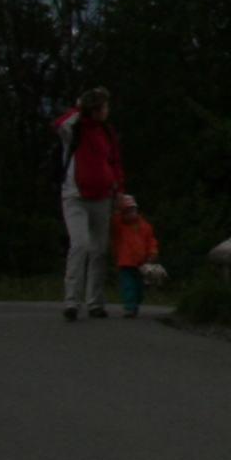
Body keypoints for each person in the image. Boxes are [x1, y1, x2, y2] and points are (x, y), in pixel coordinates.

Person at [52, 87, 124, 321]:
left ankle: (95, 302)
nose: (107, 111)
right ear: (94, 110)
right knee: (80, 245)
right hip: (76, 196)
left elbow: (114, 162)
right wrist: (78, 106)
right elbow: (59, 123)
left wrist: (119, 191)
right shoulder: (74, 130)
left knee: (99, 251)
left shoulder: (107, 131)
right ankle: (72, 301)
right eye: (103, 107)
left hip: (102, 196)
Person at [109, 195, 161, 318]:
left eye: (132, 211)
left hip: (141, 264)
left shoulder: (144, 226)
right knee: (128, 285)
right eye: (126, 212)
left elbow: (151, 241)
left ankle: (136, 302)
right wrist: (117, 210)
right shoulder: (119, 226)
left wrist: (153, 252)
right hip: (125, 263)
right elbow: (114, 224)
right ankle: (130, 306)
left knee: (139, 288)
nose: (129, 215)